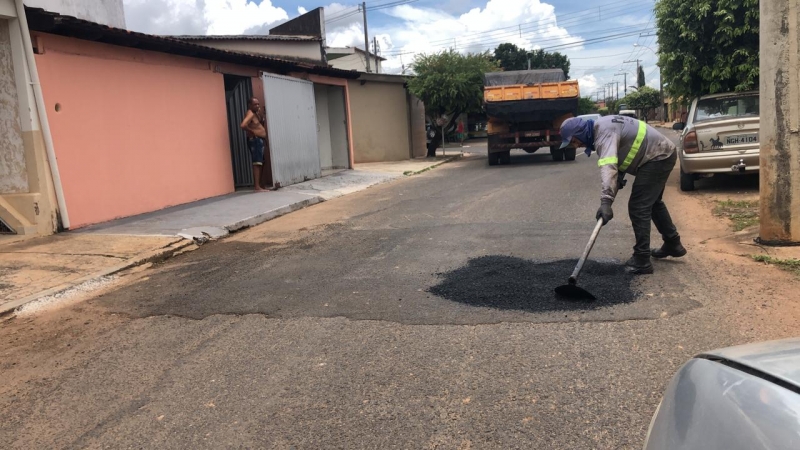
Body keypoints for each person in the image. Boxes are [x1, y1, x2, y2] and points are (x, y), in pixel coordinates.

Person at [559, 115, 687, 274]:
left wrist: (606, 201)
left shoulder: (603, 133)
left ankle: (642, 259)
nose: (576, 145)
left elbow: (609, 166)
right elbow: (623, 155)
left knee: (638, 206)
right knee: (652, 203)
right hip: (659, 153)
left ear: (580, 132)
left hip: (658, 156)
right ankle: (673, 243)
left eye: (574, 141)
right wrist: (617, 179)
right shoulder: (602, 127)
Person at [240, 98, 268, 192]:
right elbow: (243, 125)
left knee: (261, 162)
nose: (257, 106)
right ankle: (257, 186)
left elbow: (260, 123)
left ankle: (260, 185)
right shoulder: (250, 113)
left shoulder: (256, 114)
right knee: (257, 163)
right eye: (255, 104)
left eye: (258, 104)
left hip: (259, 140)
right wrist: (251, 131)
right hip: (255, 140)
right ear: (250, 105)